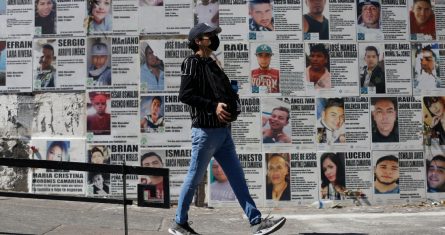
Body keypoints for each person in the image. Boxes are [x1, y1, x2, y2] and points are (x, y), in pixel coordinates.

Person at [171, 23, 286, 235]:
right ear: (198, 41)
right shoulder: (191, 63)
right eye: (209, 36)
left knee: (237, 177)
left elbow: (226, 92)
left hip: (223, 133)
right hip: (205, 132)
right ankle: (179, 222)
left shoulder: (213, 62)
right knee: (194, 177)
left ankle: (256, 222)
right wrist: (212, 106)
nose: (213, 38)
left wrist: (232, 104)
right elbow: (184, 95)